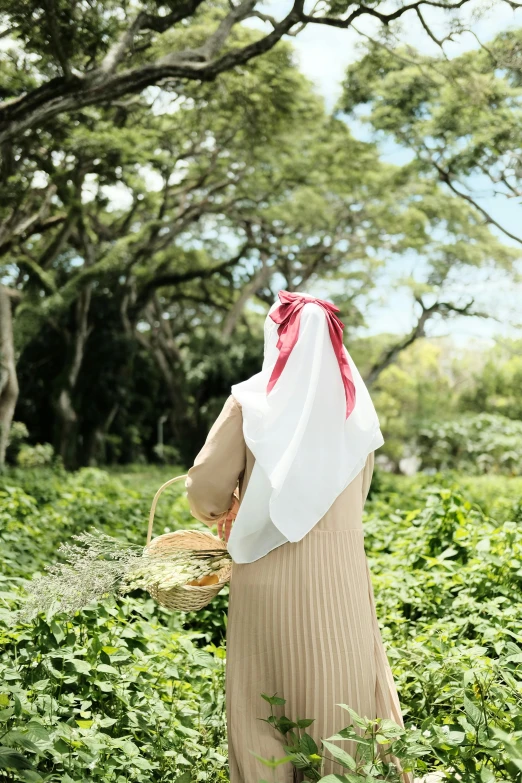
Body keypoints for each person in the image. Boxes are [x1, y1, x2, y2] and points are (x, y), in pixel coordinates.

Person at [185, 290, 412, 783]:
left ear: (278, 338)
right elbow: (359, 495)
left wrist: (223, 508)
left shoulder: (249, 403)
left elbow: (205, 484)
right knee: (343, 694)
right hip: (342, 577)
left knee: (262, 704)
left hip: (265, 575)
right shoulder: (359, 415)